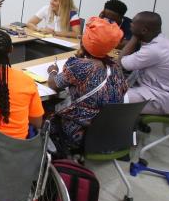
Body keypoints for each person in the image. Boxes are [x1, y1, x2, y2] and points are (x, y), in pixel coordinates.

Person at [46, 17, 128, 155]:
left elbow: (54, 84)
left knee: (44, 107)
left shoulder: (80, 66)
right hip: (108, 133)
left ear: (85, 41)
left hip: (80, 133)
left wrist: (53, 71)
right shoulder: (116, 68)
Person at [119, 12, 169, 115]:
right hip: (155, 90)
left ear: (144, 30)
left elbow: (120, 62)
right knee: (111, 90)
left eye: (133, 23)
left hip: (162, 98)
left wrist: (134, 37)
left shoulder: (155, 50)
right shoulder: (160, 42)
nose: (130, 24)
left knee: (109, 98)